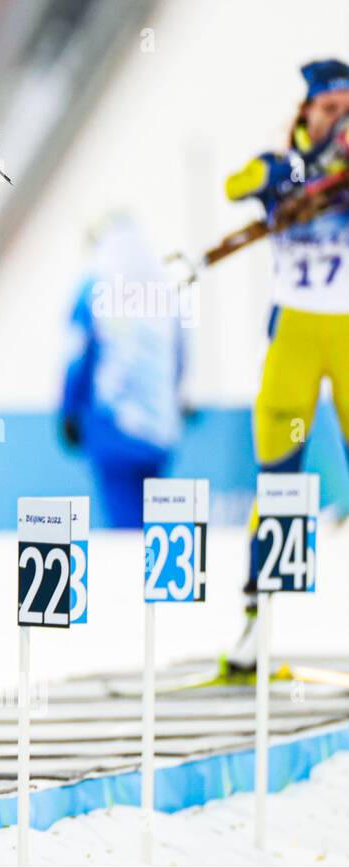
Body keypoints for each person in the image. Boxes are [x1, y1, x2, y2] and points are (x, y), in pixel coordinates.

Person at [224, 59, 349, 673]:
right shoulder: (286, 166)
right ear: (306, 112)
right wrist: (278, 179)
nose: (341, 120)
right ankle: (255, 626)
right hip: (296, 337)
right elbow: (235, 185)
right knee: (279, 482)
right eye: (330, 108)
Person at [60, 214, 187, 528]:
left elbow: (77, 355)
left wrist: (68, 410)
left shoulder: (94, 286)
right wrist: (176, 397)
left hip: (112, 427)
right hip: (159, 429)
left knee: (125, 529)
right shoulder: (164, 286)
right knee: (154, 525)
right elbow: (182, 352)